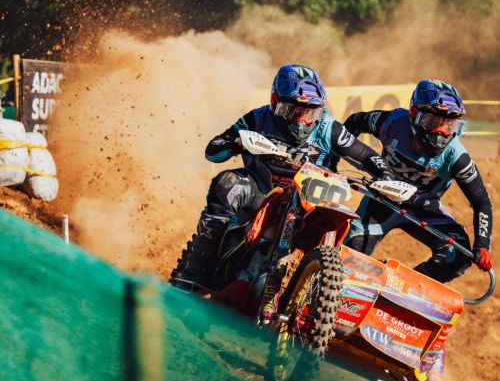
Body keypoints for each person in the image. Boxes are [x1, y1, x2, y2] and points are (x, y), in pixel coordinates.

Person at [173, 63, 395, 287]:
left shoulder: (329, 128)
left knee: (339, 225)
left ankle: (328, 290)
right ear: (275, 103)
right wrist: (237, 142)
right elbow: (213, 150)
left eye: (311, 113)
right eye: (293, 112)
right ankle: (196, 267)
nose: (302, 121)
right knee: (228, 183)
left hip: (311, 202)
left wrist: (385, 175)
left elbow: (366, 155)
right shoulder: (258, 118)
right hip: (262, 191)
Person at [343, 79, 493, 282]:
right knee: (349, 258)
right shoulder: (393, 122)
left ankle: (406, 287)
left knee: (459, 255)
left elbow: (481, 201)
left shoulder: (457, 155)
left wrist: (482, 245)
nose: (441, 134)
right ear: (414, 114)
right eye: (433, 123)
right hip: (381, 202)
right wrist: (331, 161)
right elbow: (354, 122)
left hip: (423, 207)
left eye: (449, 125)